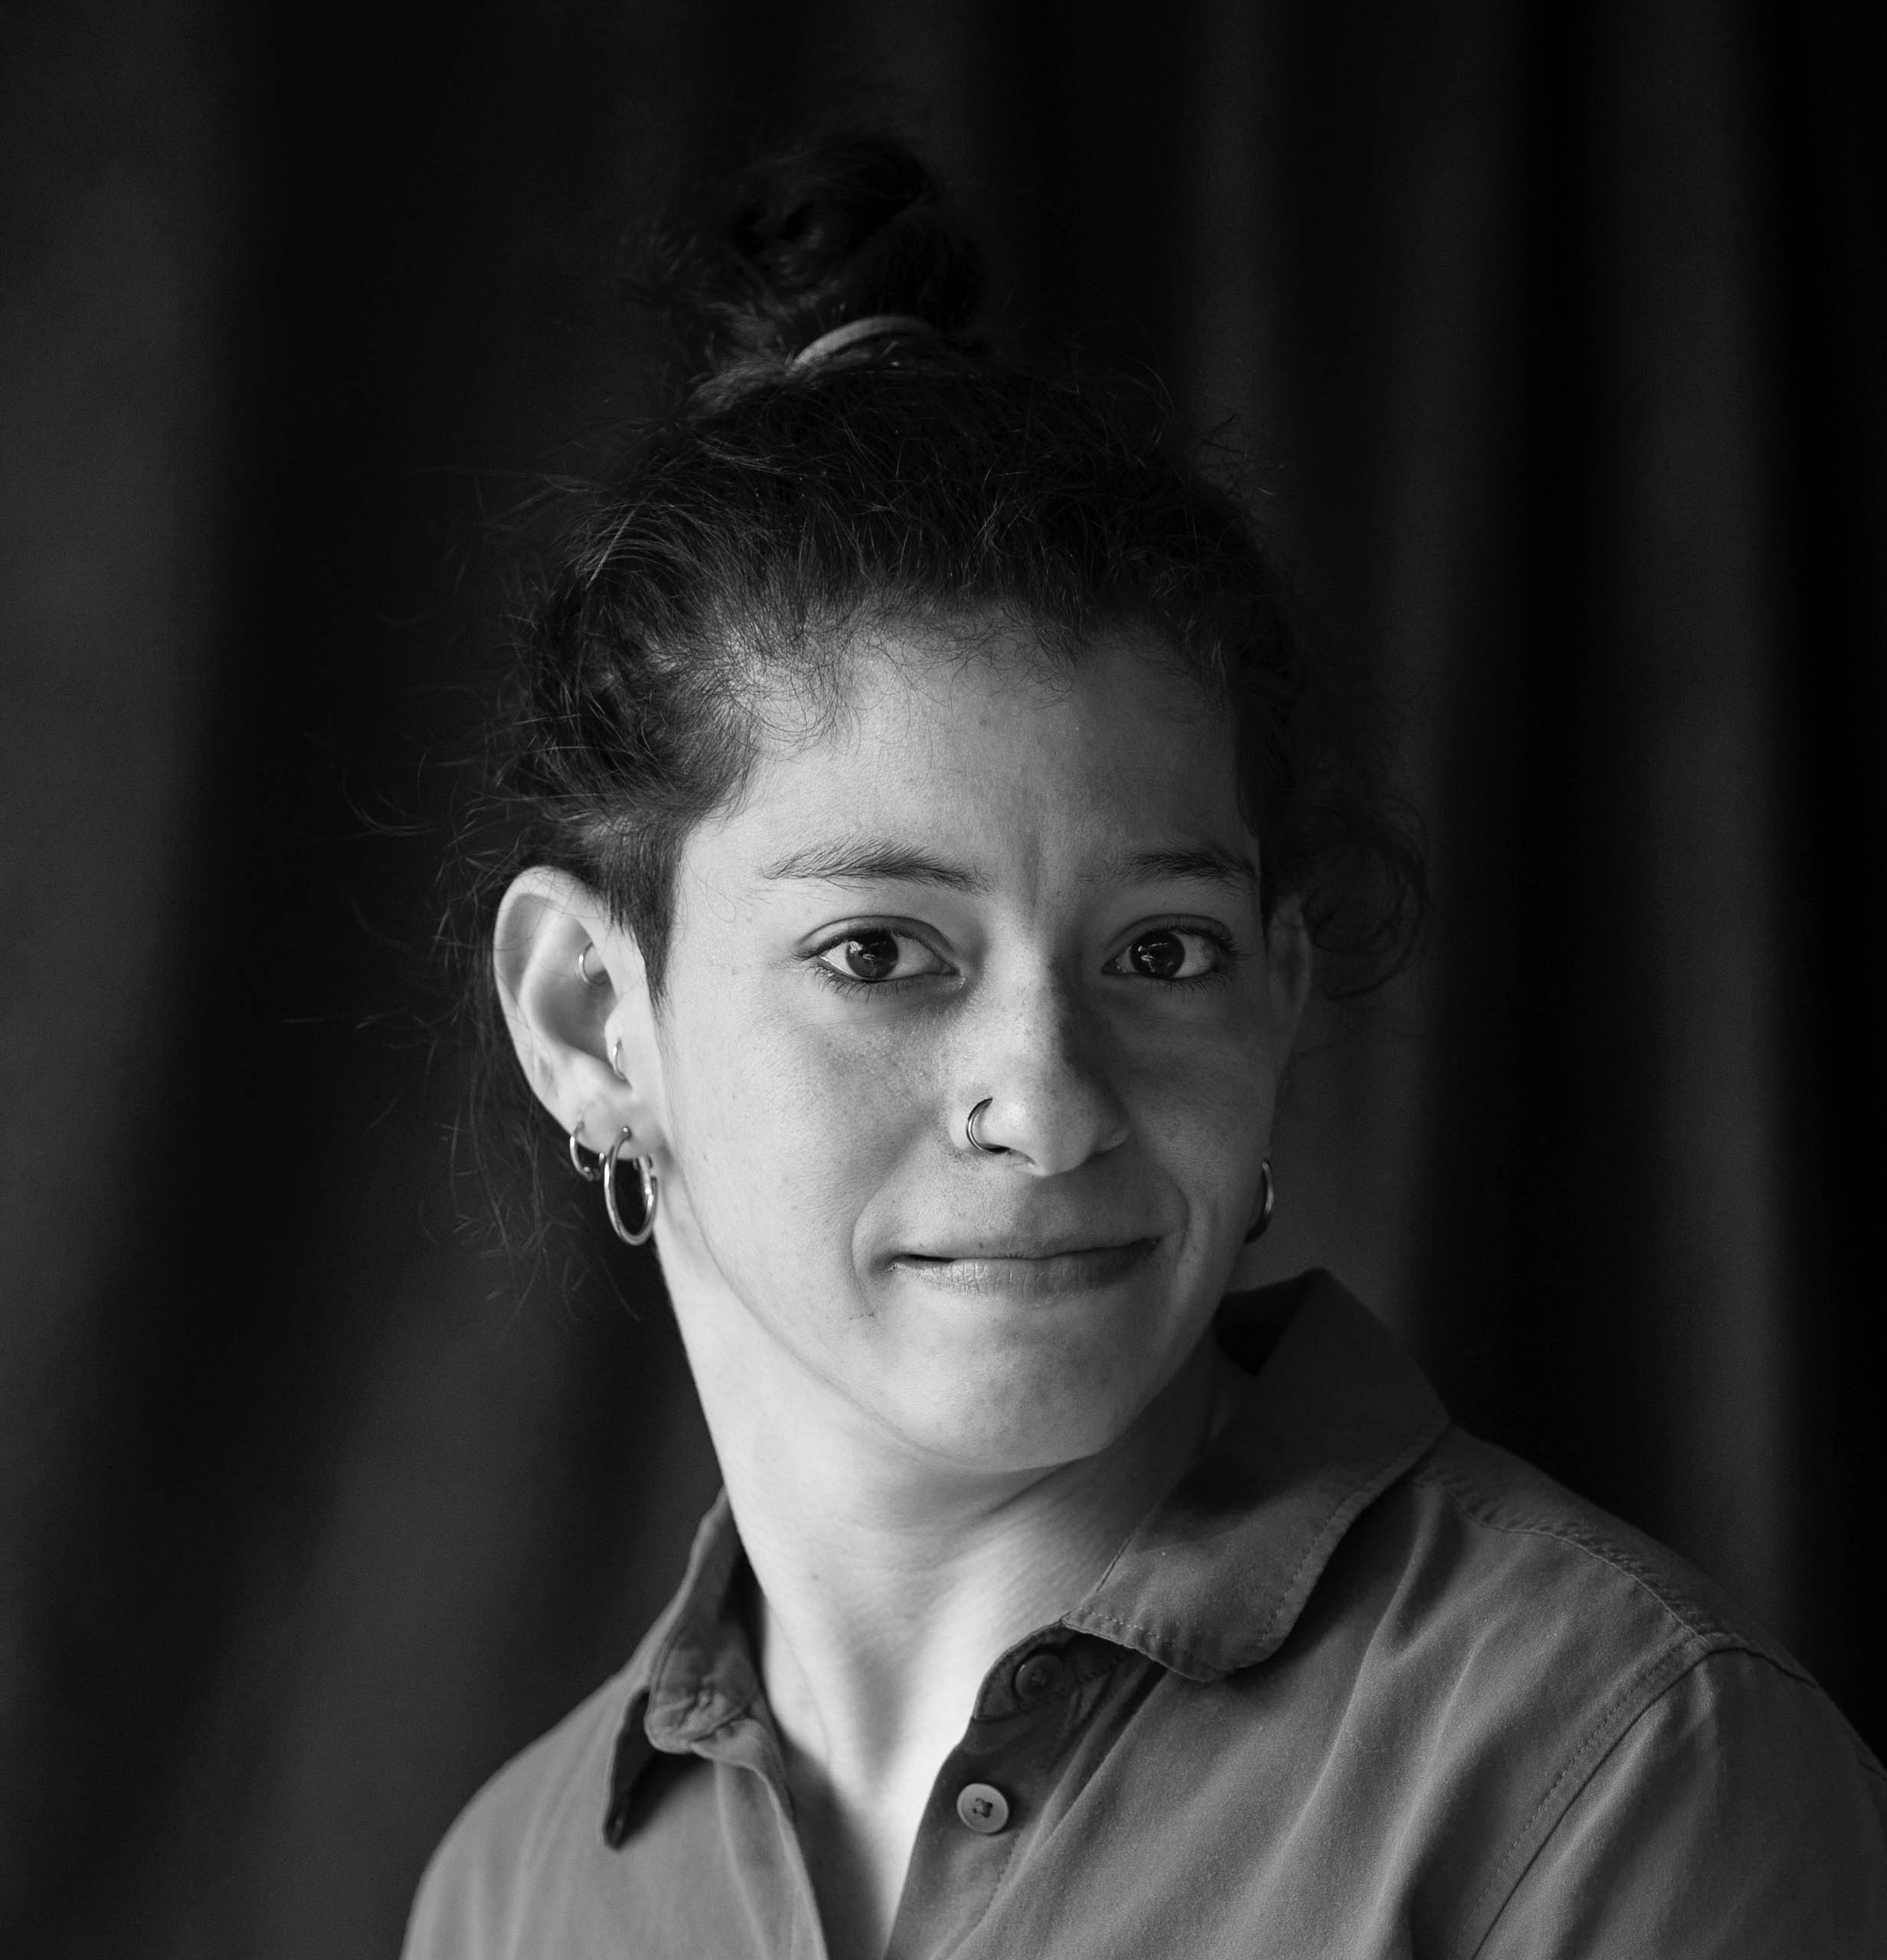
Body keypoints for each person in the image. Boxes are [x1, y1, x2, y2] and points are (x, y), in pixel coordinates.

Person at [404, 135, 1886, 1959]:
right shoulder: (511, 1889)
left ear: (1273, 992)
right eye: (879, 949)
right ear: (585, 1016)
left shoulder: (1615, 1769)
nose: (1044, 1094)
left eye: (1159, 949)